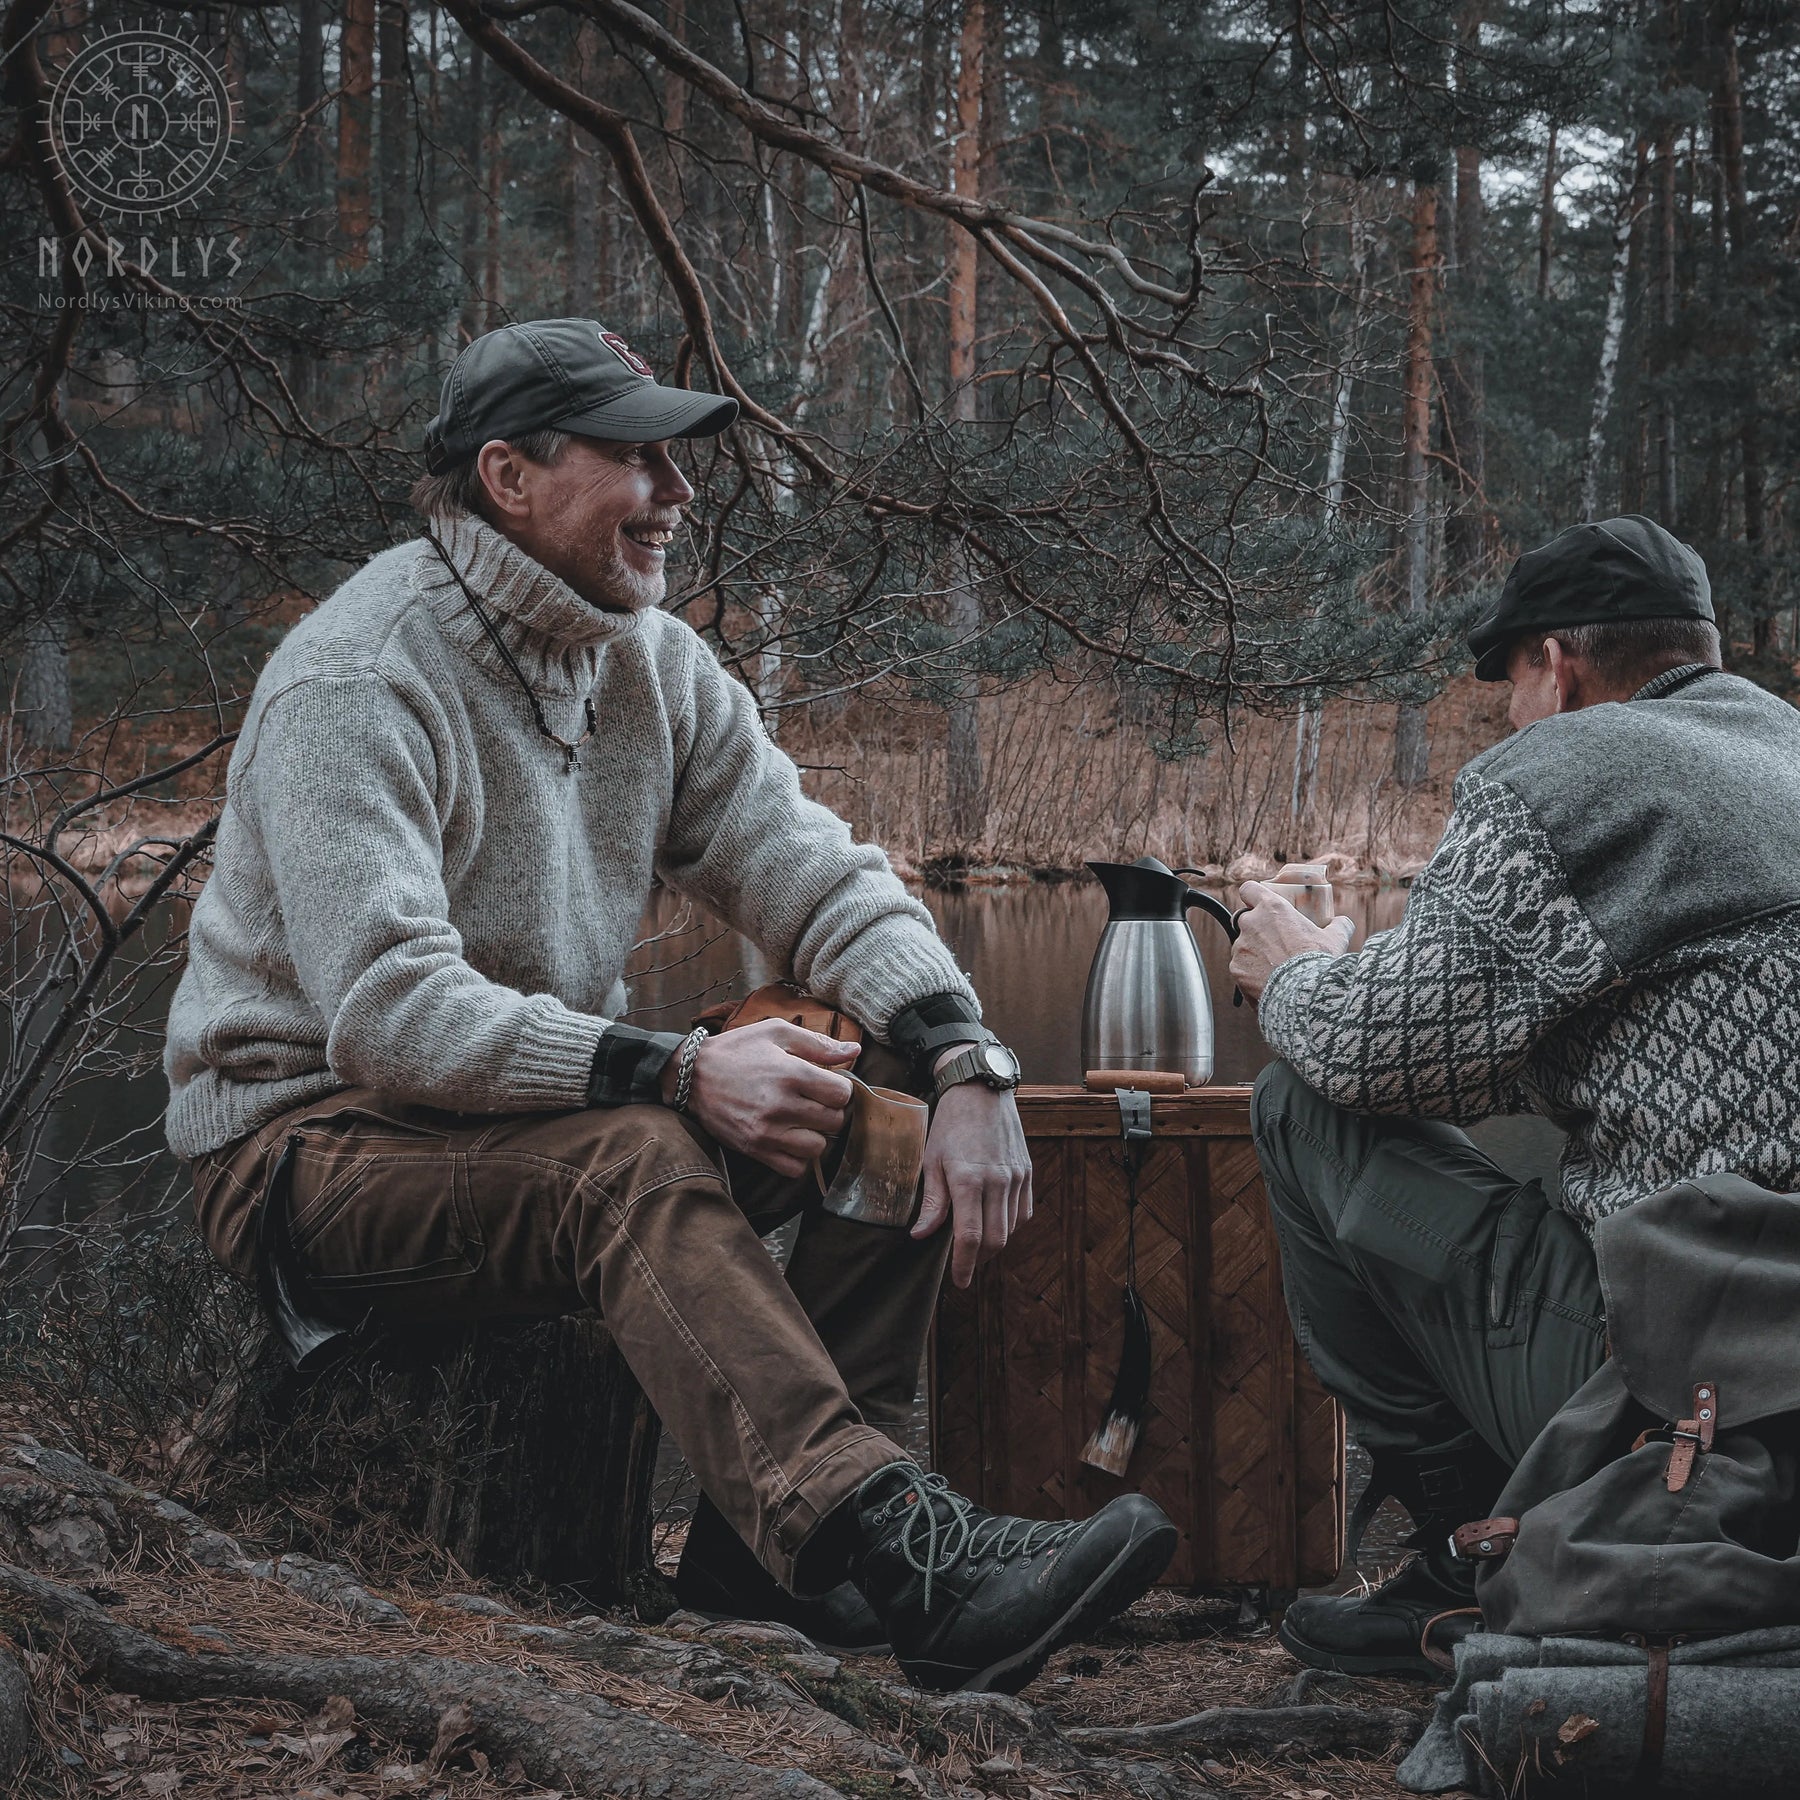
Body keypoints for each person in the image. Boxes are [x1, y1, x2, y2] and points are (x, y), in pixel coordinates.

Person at [166, 319, 1175, 1692]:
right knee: (625, 1160)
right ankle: (900, 1548)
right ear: (510, 475)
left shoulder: (649, 660)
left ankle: (774, 1564)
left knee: (869, 1066)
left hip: (511, 1117)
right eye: (636, 458)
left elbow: (817, 870)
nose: (678, 493)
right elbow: (389, 1013)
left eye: (676, 457)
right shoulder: (361, 673)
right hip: (308, 1147)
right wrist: (683, 1069)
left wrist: (967, 1061)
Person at [1228, 514, 1800, 1677]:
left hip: (1702, 1391)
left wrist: (1292, 968)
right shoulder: (1783, 756)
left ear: (1559, 663)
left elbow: (1371, 1058)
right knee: (1528, 1141)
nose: (1508, 717)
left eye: (1509, 685)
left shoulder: (1572, 768)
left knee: (1306, 1111)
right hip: (1771, 1360)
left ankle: (1474, 1553)